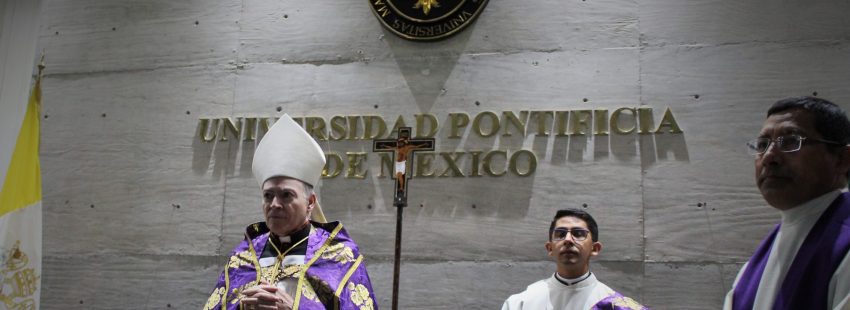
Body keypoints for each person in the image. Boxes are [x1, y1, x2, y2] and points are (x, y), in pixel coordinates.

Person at [203, 114, 377, 310]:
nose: (274, 204)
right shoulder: (243, 257)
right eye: (268, 196)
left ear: (310, 202)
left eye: (286, 195)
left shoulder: (339, 256)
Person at [724, 96, 850, 310]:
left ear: (842, 159)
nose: (769, 157)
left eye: (791, 141)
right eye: (762, 145)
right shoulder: (759, 259)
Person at [502, 209, 647, 310]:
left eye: (578, 233)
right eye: (560, 234)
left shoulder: (613, 305)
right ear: (550, 248)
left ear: (595, 248)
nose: (568, 240)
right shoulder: (521, 303)